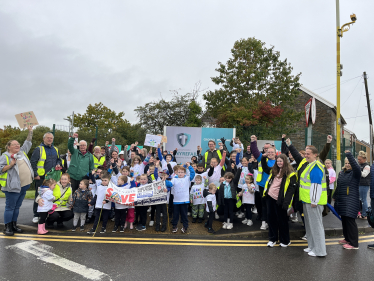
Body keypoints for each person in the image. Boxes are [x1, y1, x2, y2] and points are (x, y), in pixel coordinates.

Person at [0, 126, 34, 236]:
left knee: (17, 207)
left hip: (24, 185)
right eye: (14, 144)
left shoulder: (22, 152)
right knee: (10, 207)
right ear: (9, 147)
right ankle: (7, 227)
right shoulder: (5, 156)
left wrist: (30, 131)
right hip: (12, 187)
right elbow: (1, 169)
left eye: (18, 144)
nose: (17, 145)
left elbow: (28, 142)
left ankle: (14, 225)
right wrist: (10, 165)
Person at [262, 154, 297, 248]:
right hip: (270, 198)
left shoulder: (291, 174)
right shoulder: (274, 171)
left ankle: (285, 240)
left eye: (281, 161)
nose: (279, 163)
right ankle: (272, 239)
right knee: (271, 219)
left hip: (281, 200)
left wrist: (286, 203)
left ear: (285, 162)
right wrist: (263, 157)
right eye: (278, 161)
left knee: (282, 220)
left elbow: (290, 190)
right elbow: (264, 167)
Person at [298, 146, 327, 257]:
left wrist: (314, 201)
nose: (306, 155)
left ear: (315, 155)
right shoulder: (310, 165)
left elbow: (316, 185)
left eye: (308, 154)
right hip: (307, 200)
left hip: (313, 201)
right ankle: (312, 246)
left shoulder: (315, 166)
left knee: (316, 226)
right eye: (305, 153)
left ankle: (320, 251)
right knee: (310, 226)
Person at [30, 131, 62, 224]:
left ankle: (47, 213)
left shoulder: (56, 149)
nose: (49, 139)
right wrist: (35, 174)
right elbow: (33, 162)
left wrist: (58, 164)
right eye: (48, 138)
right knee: (39, 195)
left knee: (50, 195)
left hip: (53, 177)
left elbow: (59, 159)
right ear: (44, 139)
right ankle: (36, 215)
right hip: (42, 177)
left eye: (51, 138)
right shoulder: (38, 149)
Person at [333, 151, 361, 249]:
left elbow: (356, 167)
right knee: (344, 220)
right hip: (342, 200)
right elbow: (339, 186)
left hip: (351, 201)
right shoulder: (342, 173)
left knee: (350, 221)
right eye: (346, 163)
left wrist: (349, 155)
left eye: (349, 163)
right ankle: (347, 238)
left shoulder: (356, 173)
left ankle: (354, 244)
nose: (347, 165)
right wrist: (335, 196)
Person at [250, 135, 276, 230]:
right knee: (264, 204)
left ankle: (271, 221)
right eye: (268, 151)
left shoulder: (278, 161)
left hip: (274, 186)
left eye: (272, 152)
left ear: (275, 152)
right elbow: (255, 152)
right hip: (262, 185)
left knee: (272, 205)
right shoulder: (262, 158)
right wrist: (253, 142)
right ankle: (264, 222)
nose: (270, 153)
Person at [165, 164, 195, 234]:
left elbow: (193, 173)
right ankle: (175, 226)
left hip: (184, 201)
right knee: (175, 215)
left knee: (184, 215)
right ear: (176, 173)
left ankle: (185, 226)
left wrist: (190, 166)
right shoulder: (174, 179)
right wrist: (165, 180)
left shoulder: (187, 178)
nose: (180, 173)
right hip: (176, 201)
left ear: (185, 173)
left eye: (182, 172)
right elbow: (169, 184)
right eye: (179, 172)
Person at [357, 151, 370, 219]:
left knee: (363, 199)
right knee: (361, 199)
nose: (358, 161)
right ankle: (363, 213)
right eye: (358, 159)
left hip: (364, 184)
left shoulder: (367, 166)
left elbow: (364, 174)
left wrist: (358, 170)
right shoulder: (360, 165)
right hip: (360, 184)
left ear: (364, 159)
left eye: (360, 159)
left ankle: (365, 214)